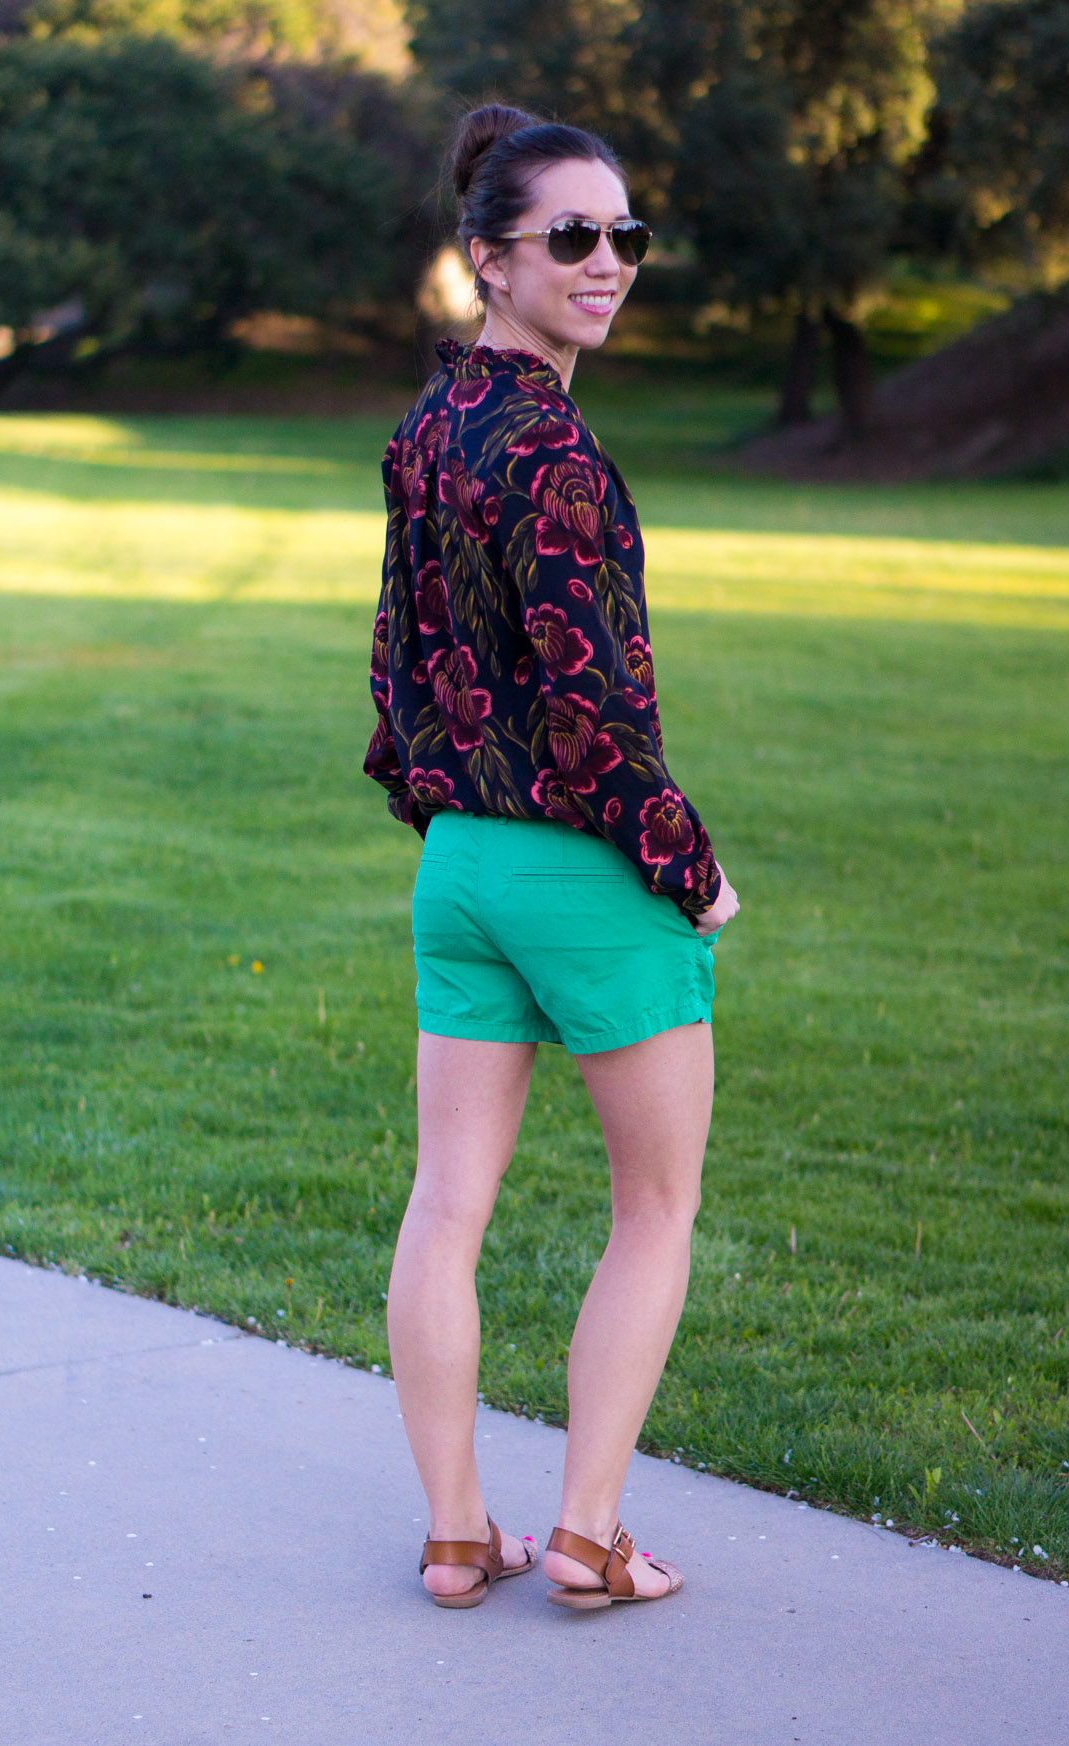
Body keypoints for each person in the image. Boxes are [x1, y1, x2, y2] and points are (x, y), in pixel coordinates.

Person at [363, 103, 740, 1612]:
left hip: (458, 868)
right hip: (582, 868)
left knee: (446, 1204)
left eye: (625, 237)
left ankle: (460, 1533)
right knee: (655, 1207)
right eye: (571, 238)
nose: (607, 263)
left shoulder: (425, 428)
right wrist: (686, 861)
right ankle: (585, 1532)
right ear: (486, 260)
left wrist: (444, 811)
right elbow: (598, 712)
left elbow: (397, 670)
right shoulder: (558, 455)